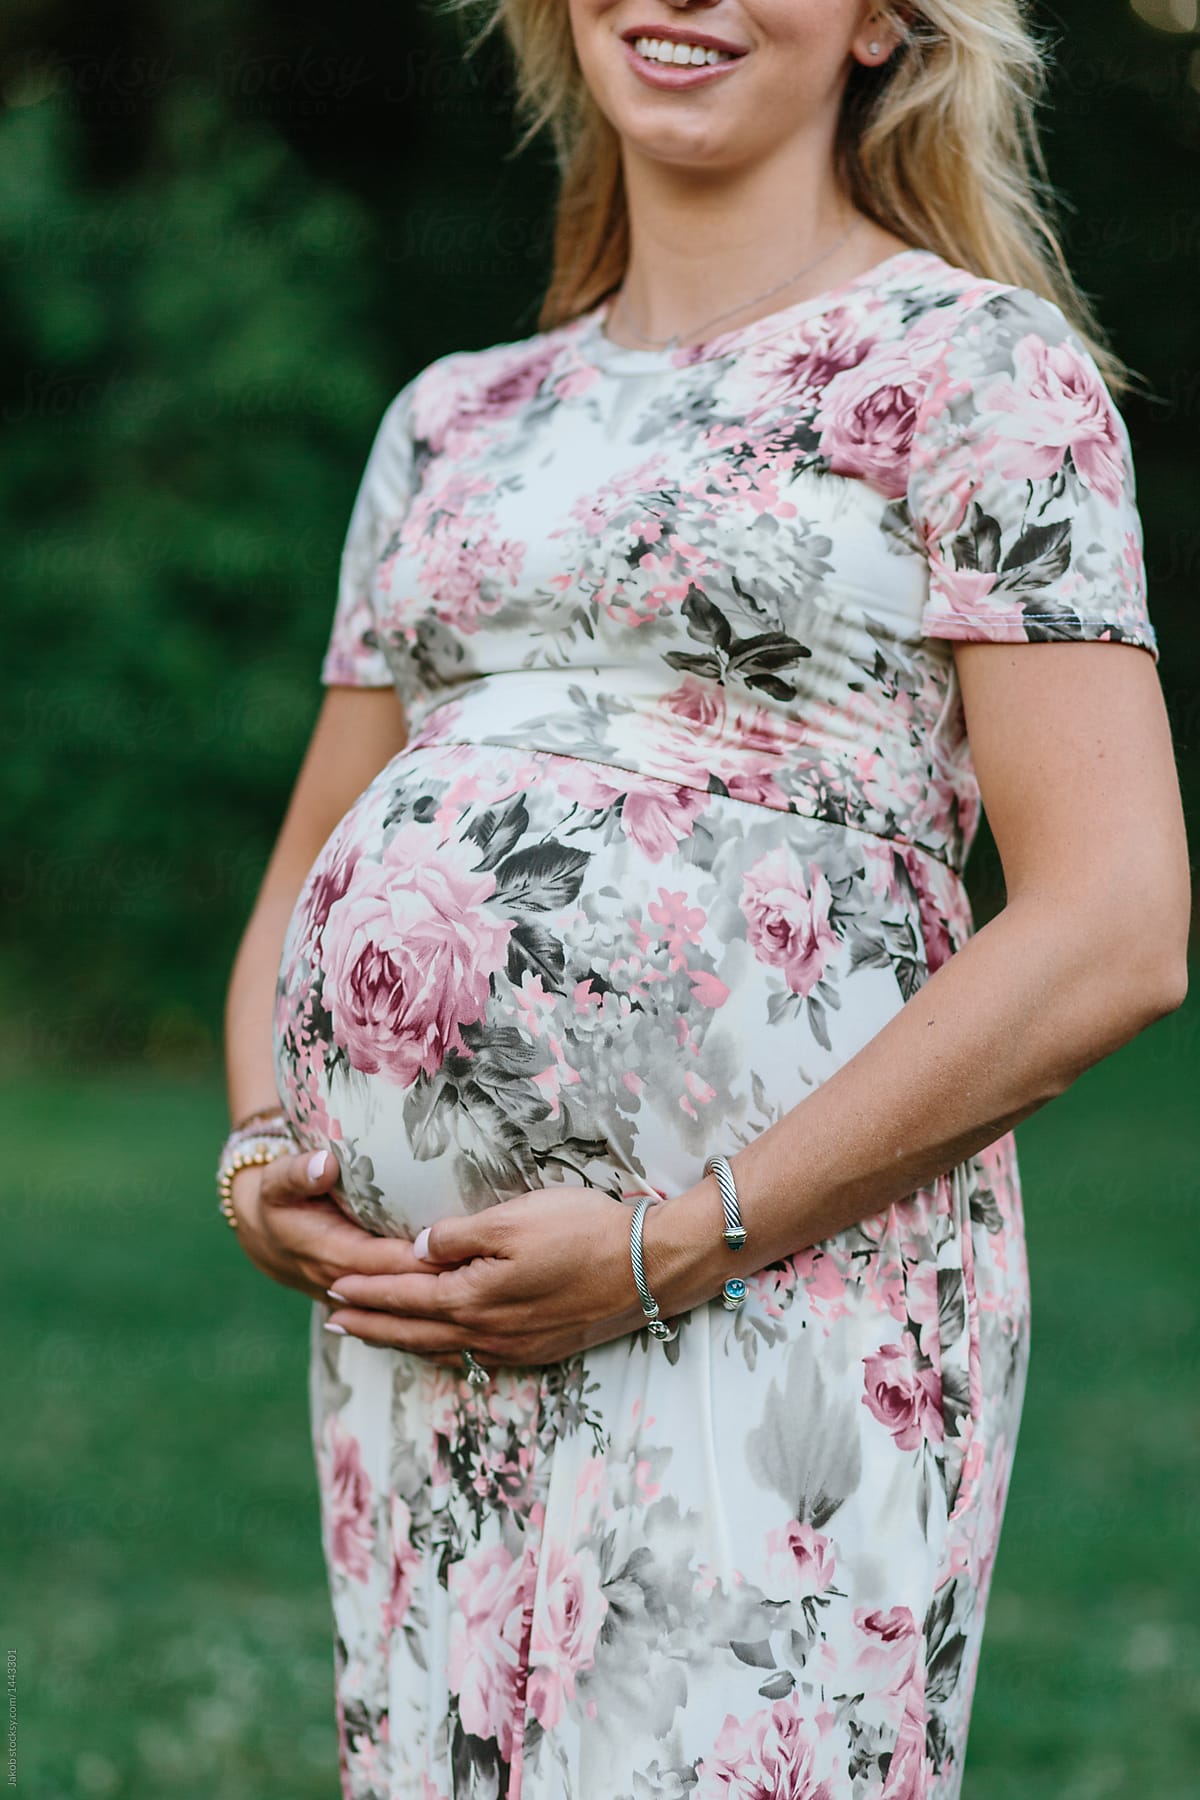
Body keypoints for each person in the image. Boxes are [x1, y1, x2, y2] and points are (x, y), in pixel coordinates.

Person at [219, 3, 1190, 1796]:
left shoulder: (976, 368)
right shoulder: (451, 422)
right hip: (432, 1335)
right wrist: (262, 1157)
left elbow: (1116, 926)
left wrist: (677, 1245)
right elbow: (306, 868)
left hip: (781, 1293)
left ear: (889, 22)